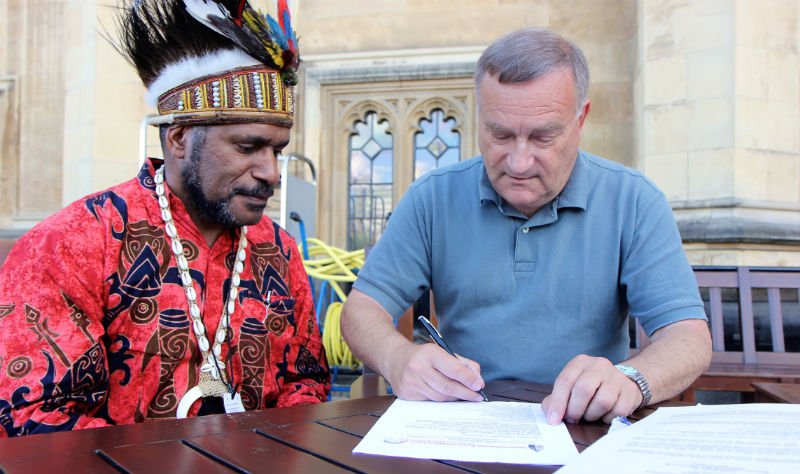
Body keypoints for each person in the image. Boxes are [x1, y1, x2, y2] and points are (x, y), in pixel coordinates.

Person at [340, 28, 711, 425]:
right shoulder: (433, 197)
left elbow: (688, 336)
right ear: (478, 118)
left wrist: (632, 379)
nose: (518, 163)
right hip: (462, 422)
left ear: (580, 119)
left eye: (543, 136)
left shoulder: (633, 201)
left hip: (586, 425)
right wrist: (398, 359)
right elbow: (361, 310)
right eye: (500, 134)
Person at [0, 0, 329, 437]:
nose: (270, 172)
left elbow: (306, 382)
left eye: (278, 150)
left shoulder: (279, 250)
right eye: (248, 147)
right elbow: (37, 417)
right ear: (178, 138)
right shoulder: (69, 244)